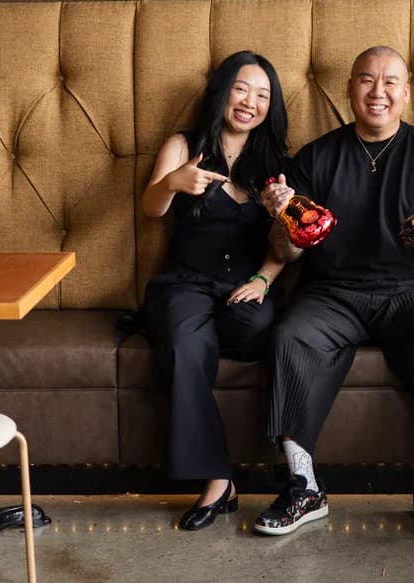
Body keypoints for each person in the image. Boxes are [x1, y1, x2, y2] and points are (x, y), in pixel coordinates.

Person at [253, 46, 414, 538]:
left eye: (390, 82)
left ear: (407, 93)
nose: (378, 92)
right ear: (350, 88)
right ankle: (303, 485)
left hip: (411, 290)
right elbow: (287, 253)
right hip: (333, 292)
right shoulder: (316, 157)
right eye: (366, 80)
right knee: (290, 335)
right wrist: (282, 216)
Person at [140, 50, 289, 531]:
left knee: (256, 328)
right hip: (185, 283)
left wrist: (263, 278)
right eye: (241, 89)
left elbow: (286, 247)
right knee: (185, 347)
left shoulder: (275, 163)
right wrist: (173, 182)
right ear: (223, 91)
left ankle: (180, 332)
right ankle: (217, 480)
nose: (250, 102)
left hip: (243, 288)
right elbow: (151, 207)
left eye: (262, 95)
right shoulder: (184, 144)